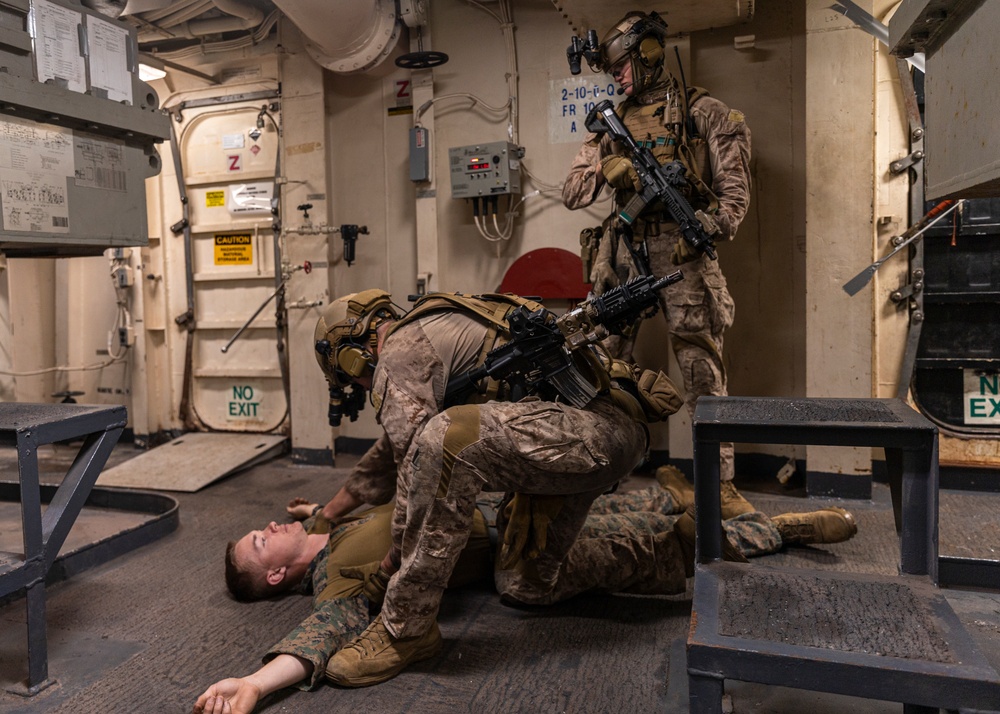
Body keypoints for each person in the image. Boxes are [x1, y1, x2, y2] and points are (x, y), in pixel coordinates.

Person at [192, 469, 857, 713]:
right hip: (516, 538)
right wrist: (256, 684)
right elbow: (324, 633)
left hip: (509, 495)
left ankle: (709, 501)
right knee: (655, 538)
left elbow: (325, 505)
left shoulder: (320, 526)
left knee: (636, 507)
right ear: (277, 576)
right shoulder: (334, 576)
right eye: (258, 542)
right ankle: (775, 527)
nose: (268, 527)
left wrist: (313, 512)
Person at [562, 11, 753, 519]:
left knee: (702, 373)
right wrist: (606, 165)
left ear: (648, 52)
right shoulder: (612, 122)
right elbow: (572, 193)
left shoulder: (705, 113)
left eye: (623, 65)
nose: (618, 76)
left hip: (683, 257)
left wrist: (706, 229)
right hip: (623, 253)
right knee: (599, 367)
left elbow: (734, 201)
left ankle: (721, 489)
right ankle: (593, 475)